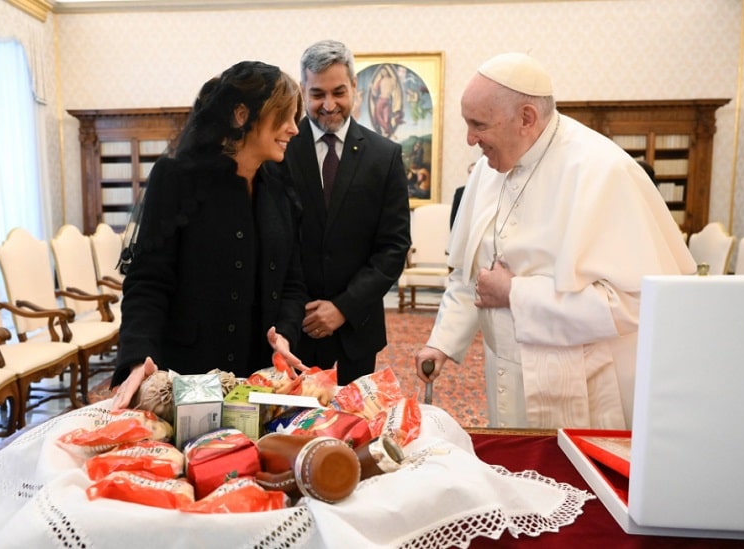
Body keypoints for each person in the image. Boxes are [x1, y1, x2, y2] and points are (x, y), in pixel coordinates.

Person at [414, 52, 696, 429]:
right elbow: (472, 276)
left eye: (478, 124)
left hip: (577, 383)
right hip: (505, 372)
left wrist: (515, 293)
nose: (469, 139)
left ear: (526, 118)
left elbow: (634, 305)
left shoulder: (604, 171)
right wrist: (442, 342)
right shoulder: (489, 167)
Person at [111, 61, 308, 408]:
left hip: (259, 377)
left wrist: (286, 334)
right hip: (188, 377)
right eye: (285, 116)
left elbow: (292, 282)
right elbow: (148, 281)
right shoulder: (177, 178)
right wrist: (138, 356)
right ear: (242, 114)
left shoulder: (280, 185)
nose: (294, 129)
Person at [281, 40, 411, 386]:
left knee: (355, 428)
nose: (329, 105)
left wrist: (342, 308)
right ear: (302, 91)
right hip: (292, 327)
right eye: (317, 93)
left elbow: (393, 247)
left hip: (356, 327)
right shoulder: (279, 152)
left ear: (355, 87)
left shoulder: (385, 156)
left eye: (339, 92)